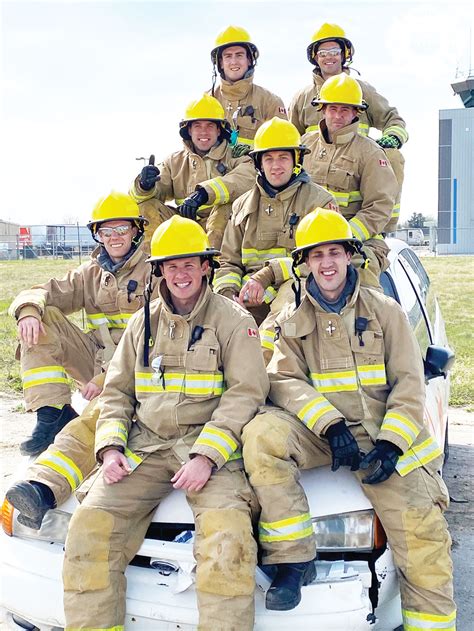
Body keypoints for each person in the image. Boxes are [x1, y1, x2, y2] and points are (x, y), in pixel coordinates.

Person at [241, 208, 456, 630]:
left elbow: (410, 383)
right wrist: (331, 425)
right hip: (325, 435)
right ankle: (294, 560)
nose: (326, 263)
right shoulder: (291, 322)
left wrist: (393, 443)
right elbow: (284, 380)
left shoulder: (386, 312)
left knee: (425, 546)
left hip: (385, 438)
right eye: (316, 255)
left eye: (334, 252)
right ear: (303, 265)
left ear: (350, 256)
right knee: (261, 433)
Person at [62, 216, 269, 631]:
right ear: (159, 270)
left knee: (227, 540)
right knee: (90, 528)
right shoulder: (143, 323)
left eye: (189, 264)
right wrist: (110, 449)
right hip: (146, 446)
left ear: (206, 266)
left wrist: (206, 457)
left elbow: (246, 394)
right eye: (171, 266)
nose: (181, 274)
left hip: (211, 452)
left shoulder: (235, 322)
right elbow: (117, 392)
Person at [8, 192, 150, 456]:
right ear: (97, 235)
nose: (114, 237)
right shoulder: (90, 272)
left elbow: (157, 340)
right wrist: (28, 310)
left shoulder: (154, 271)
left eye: (121, 228)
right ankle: (52, 415)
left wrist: (106, 377)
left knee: (103, 423)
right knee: (44, 315)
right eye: (106, 231)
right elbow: (46, 291)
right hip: (95, 362)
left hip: (140, 371)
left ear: (135, 230)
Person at [213, 116, 336, 326]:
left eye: (283, 158)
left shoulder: (320, 204)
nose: (276, 166)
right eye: (268, 159)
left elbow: (325, 264)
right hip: (249, 302)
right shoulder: (242, 206)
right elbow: (228, 262)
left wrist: (268, 276)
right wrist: (229, 296)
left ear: (296, 160)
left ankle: (266, 355)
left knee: (290, 300)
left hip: (299, 299)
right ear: (259, 163)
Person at [289, 22, 407, 219]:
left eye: (334, 51)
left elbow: (393, 119)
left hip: (356, 171)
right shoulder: (302, 97)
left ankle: (383, 225)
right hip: (316, 176)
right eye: (323, 53)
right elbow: (291, 138)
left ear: (345, 54)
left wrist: (392, 139)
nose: (329, 57)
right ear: (314, 58)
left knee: (393, 157)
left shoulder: (363, 91)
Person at [302, 73, 399, 287]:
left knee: (363, 287)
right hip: (309, 240)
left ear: (356, 112)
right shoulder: (304, 147)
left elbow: (379, 206)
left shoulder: (370, 153)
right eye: (333, 108)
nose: (338, 116)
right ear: (323, 109)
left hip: (360, 242)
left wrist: (345, 235)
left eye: (345, 109)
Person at [130, 93, 255, 250]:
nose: (203, 132)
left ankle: (213, 267)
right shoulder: (174, 161)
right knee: (147, 206)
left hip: (220, 228)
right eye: (197, 126)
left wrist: (204, 194)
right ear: (188, 130)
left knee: (226, 208)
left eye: (210, 126)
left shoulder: (235, 156)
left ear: (219, 130)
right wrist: (144, 185)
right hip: (184, 225)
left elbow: (248, 178)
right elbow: (153, 191)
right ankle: (155, 267)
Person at [209, 25, 287, 147]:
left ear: (249, 60)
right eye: (228, 56)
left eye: (239, 55)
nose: (234, 61)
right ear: (220, 63)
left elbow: (283, 147)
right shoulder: (209, 101)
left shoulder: (269, 102)